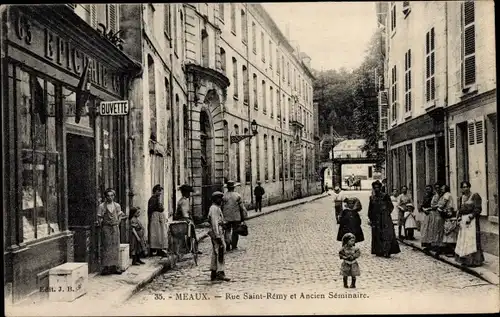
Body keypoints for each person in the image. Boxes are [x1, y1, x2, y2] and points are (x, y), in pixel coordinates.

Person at [368, 180, 401, 258]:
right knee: (377, 235)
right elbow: (370, 209)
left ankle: (387, 251)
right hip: (376, 219)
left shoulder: (385, 196)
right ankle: (379, 250)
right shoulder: (372, 197)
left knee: (387, 234)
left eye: (378, 187)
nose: (376, 189)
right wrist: (371, 218)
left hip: (385, 219)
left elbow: (391, 206)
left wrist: (386, 214)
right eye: (375, 188)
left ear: (380, 188)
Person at [455, 181, 484, 267]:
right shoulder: (461, 198)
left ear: (469, 187)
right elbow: (459, 210)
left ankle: (474, 261)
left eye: (466, 186)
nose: (465, 188)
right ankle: (465, 260)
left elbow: (478, 209)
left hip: (472, 220)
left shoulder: (475, 196)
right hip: (463, 220)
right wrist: (459, 218)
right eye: (463, 187)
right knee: (464, 240)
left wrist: (471, 216)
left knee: (472, 240)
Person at [97, 188, 125, 275]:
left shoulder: (117, 205)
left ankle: (115, 266)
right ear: (105, 196)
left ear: (114, 196)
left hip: (115, 227)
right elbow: (99, 217)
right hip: (106, 227)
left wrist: (117, 222)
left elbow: (120, 215)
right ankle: (106, 267)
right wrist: (102, 224)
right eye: (108, 196)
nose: (110, 197)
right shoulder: (102, 206)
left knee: (115, 246)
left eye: (112, 195)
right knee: (106, 246)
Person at [207, 191, 230, 281]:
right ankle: (220, 272)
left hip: (218, 231)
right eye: (220, 198)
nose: (221, 200)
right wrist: (218, 236)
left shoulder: (216, 208)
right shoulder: (214, 209)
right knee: (220, 250)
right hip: (217, 232)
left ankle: (213, 271)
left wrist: (223, 223)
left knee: (215, 252)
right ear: (216, 199)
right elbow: (214, 223)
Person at [174, 184, 201, 254]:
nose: (189, 194)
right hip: (184, 220)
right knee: (193, 233)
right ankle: (194, 248)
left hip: (179, 220)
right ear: (185, 193)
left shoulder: (181, 200)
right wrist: (189, 219)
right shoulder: (184, 201)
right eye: (188, 193)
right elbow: (184, 213)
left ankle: (190, 247)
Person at [222, 180, 247, 251]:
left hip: (226, 217)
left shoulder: (224, 196)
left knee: (227, 230)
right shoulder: (237, 195)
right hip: (236, 217)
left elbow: (221, 207)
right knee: (235, 231)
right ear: (234, 187)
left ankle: (227, 244)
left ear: (227, 188)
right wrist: (243, 218)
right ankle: (234, 246)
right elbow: (241, 208)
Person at [148, 184, 167, 257]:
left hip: (158, 217)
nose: (160, 193)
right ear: (155, 191)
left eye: (160, 192)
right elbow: (154, 209)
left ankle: (159, 249)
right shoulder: (153, 199)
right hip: (155, 217)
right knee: (156, 233)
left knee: (159, 233)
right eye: (159, 192)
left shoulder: (157, 198)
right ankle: (155, 249)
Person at [437, 185, 457, 257]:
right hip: (449, 213)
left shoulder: (446, 195)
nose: (441, 190)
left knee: (448, 233)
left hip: (449, 214)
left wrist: (439, 208)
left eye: (442, 188)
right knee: (449, 233)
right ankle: (449, 250)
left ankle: (452, 251)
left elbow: (442, 204)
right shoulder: (449, 194)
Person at [419, 185, 435, 252]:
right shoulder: (425, 197)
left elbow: (434, 205)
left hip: (431, 213)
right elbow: (422, 205)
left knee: (430, 229)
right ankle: (425, 244)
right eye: (427, 189)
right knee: (424, 229)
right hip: (425, 214)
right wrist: (423, 209)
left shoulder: (433, 196)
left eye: (429, 189)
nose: (428, 190)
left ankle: (430, 244)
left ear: (431, 190)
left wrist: (429, 209)